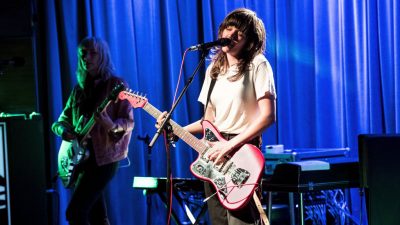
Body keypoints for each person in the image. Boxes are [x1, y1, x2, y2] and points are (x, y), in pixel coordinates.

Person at [157, 8, 276, 225]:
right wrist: (174, 127)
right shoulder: (214, 70)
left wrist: (229, 146)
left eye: (239, 31)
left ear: (250, 38)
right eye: (228, 27)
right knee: (218, 220)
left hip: (242, 149)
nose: (231, 34)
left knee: (242, 220)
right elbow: (208, 122)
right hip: (214, 154)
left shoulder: (258, 64)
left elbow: (268, 116)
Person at [52, 37, 134, 225]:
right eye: (83, 54)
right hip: (81, 159)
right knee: (98, 217)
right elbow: (60, 122)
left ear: (103, 57)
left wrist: (109, 125)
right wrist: (65, 132)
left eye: (92, 54)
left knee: (75, 212)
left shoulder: (116, 84)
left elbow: (128, 122)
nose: (86, 58)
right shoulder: (78, 90)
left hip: (104, 159)